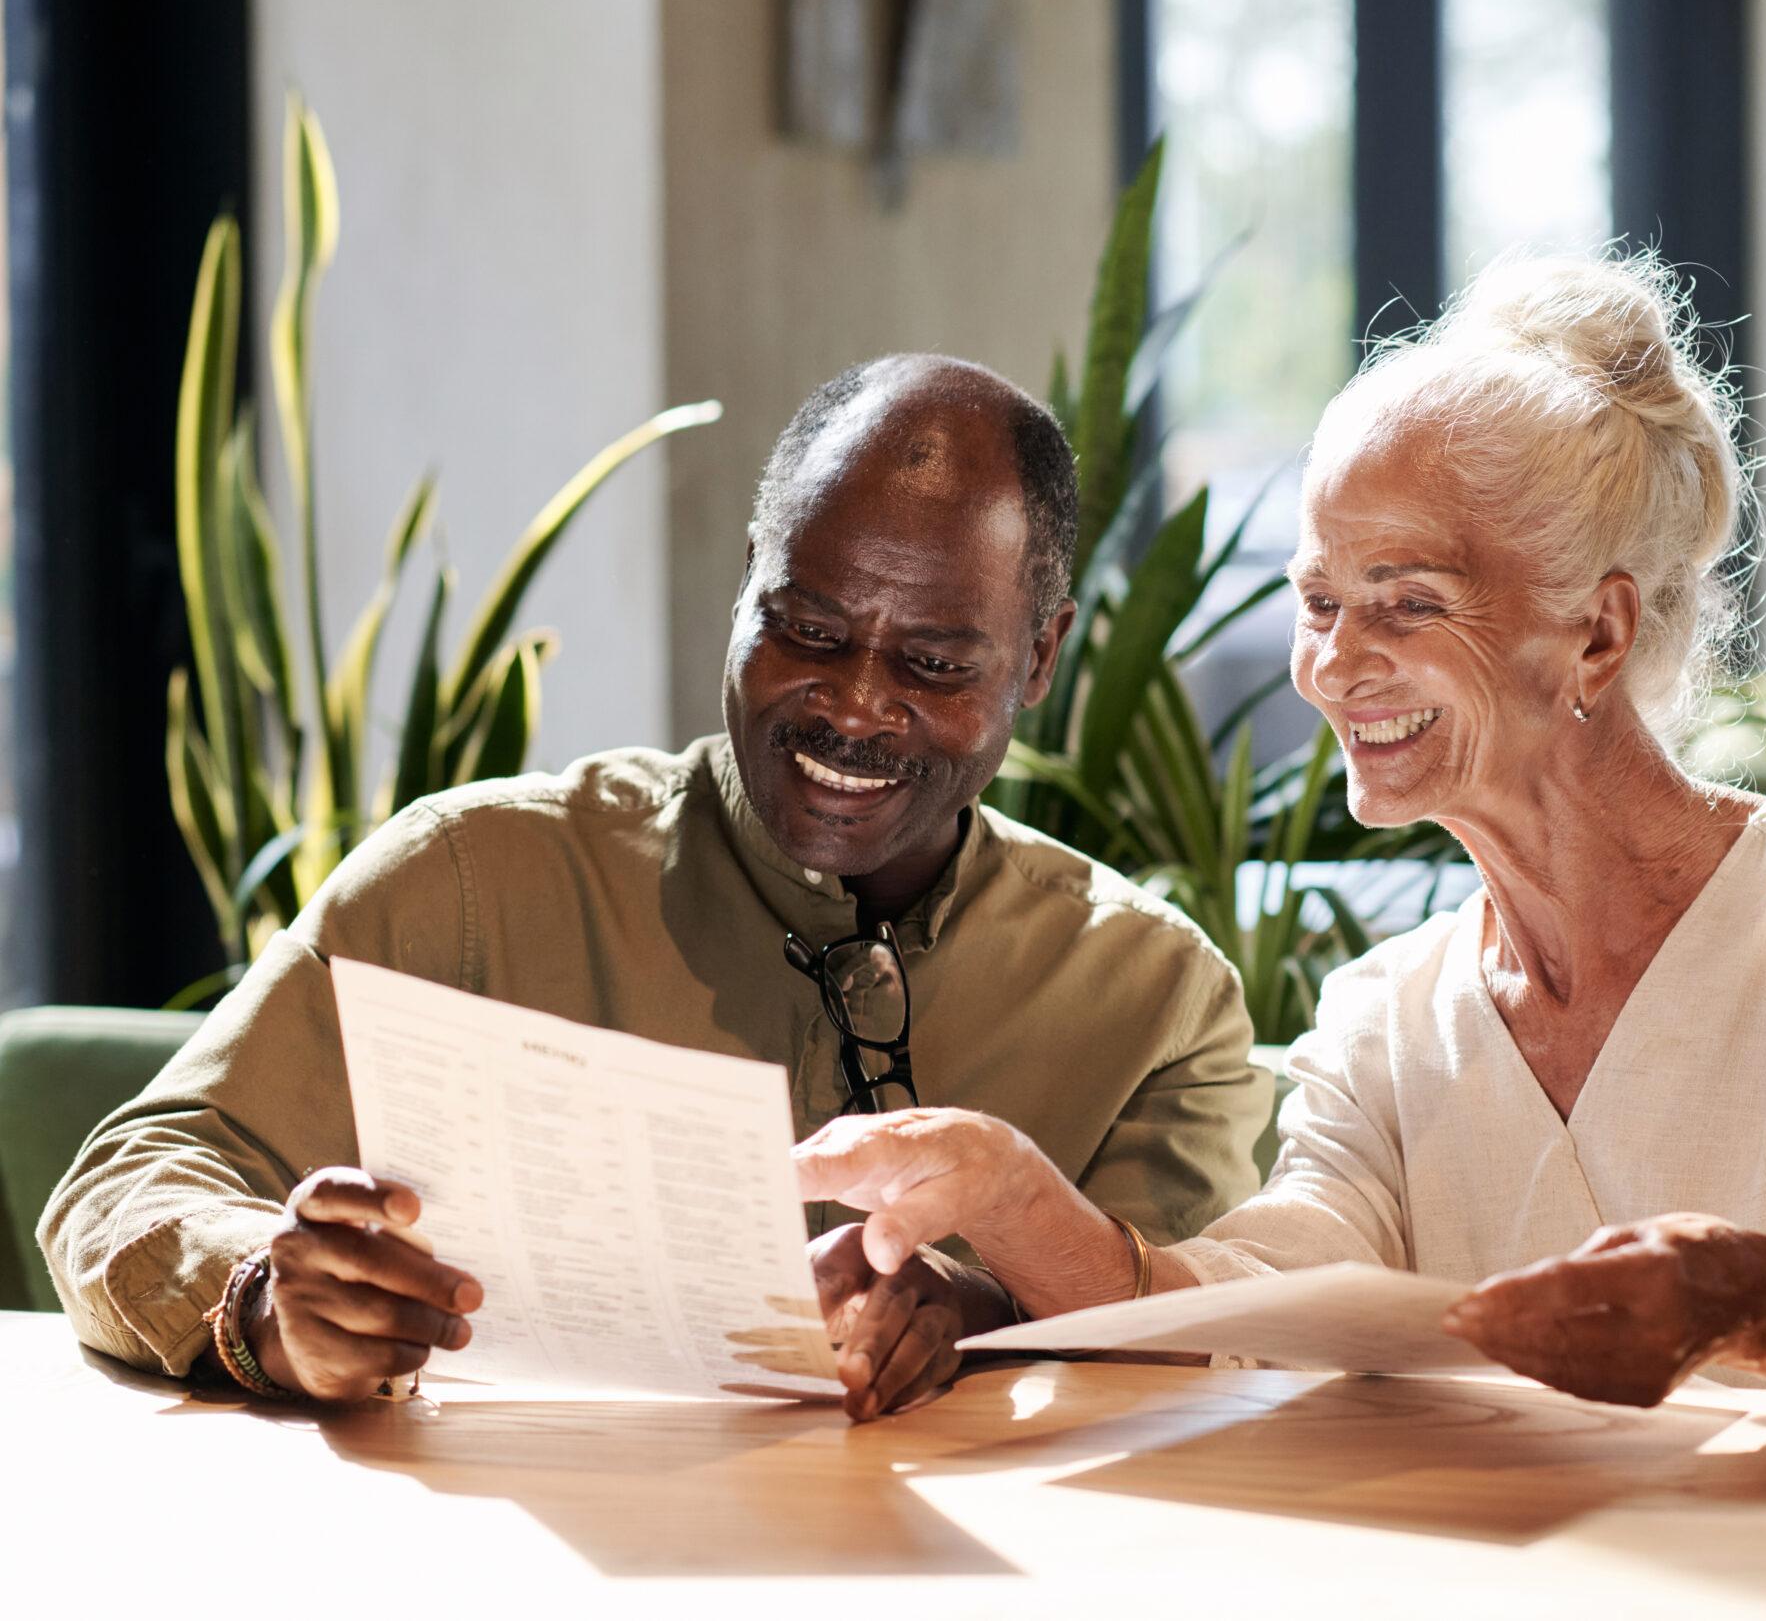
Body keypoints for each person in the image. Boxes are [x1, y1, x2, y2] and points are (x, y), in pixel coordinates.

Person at [794, 256, 1766, 1410]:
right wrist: (1010, 1190)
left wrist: (1758, 1297)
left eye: (1406, 601)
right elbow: (1248, 1299)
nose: (1332, 665)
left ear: (1599, 631)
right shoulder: (1390, 1009)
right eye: (1318, 601)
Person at [41, 355, 1268, 1419]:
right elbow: (129, 1177)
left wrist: (984, 1303)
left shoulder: (1153, 998)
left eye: (935, 663)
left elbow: (1193, 1338)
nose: (851, 707)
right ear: (745, 585)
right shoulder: (471, 881)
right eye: (808, 629)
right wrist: (268, 1298)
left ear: (1040, 657)